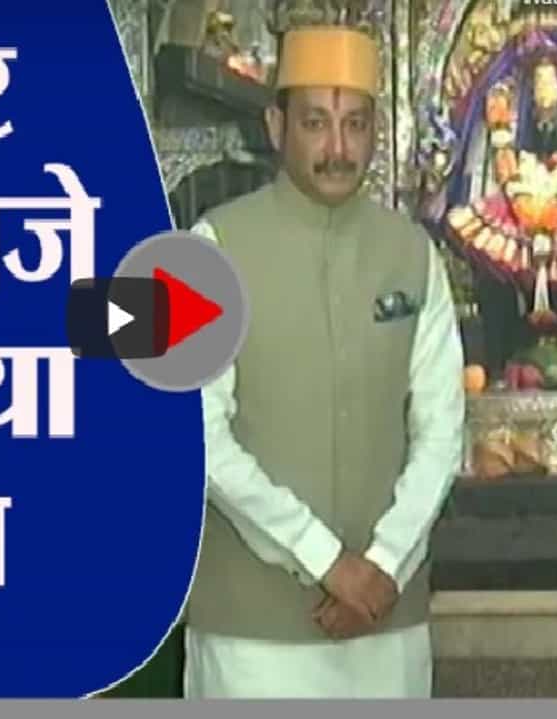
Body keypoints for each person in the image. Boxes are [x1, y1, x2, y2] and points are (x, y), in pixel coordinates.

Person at [182, 24, 465, 699]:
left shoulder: (413, 255)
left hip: (386, 629)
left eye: (355, 124)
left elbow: (442, 431)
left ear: (375, 132)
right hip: (250, 641)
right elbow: (201, 438)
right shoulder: (212, 248)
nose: (338, 148)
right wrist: (328, 561)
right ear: (277, 127)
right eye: (315, 123)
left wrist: (384, 564)